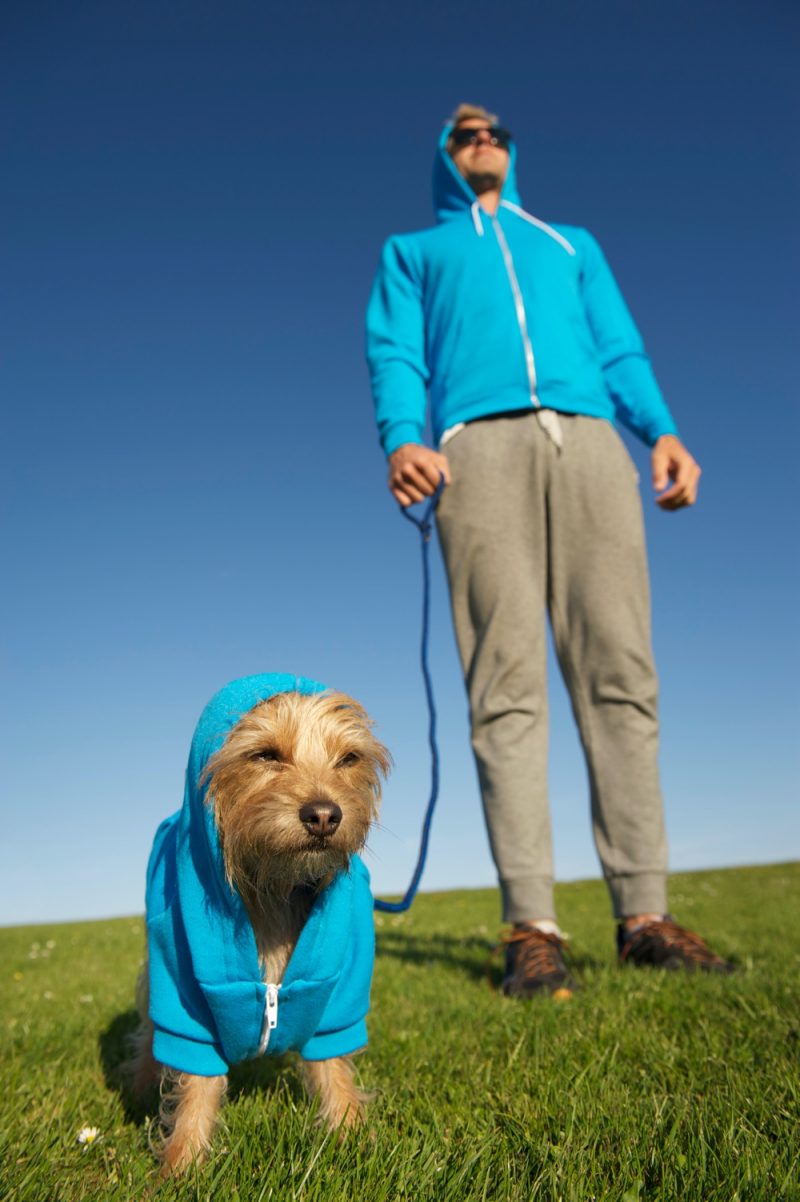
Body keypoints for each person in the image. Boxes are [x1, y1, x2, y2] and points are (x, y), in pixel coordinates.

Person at [365, 103, 733, 995]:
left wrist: (664, 432)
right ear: (444, 157)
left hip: (593, 446)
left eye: (494, 129)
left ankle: (643, 914)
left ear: (512, 149)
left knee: (621, 673)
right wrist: (401, 435)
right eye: (462, 132)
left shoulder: (571, 243)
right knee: (506, 690)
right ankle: (532, 927)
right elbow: (395, 351)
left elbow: (619, 348)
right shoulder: (414, 253)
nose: (480, 137)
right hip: (476, 451)